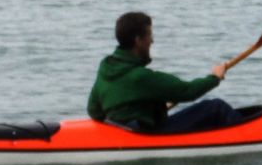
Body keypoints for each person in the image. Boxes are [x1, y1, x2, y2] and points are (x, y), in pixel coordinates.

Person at [88, 11, 242, 132]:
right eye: (149, 35)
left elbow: (94, 111)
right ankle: (247, 135)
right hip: (149, 134)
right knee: (216, 107)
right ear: (138, 40)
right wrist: (215, 77)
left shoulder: (106, 68)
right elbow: (188, 91)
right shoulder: (140, 77)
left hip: (128, 131)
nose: (152, 41)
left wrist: (145, 111)